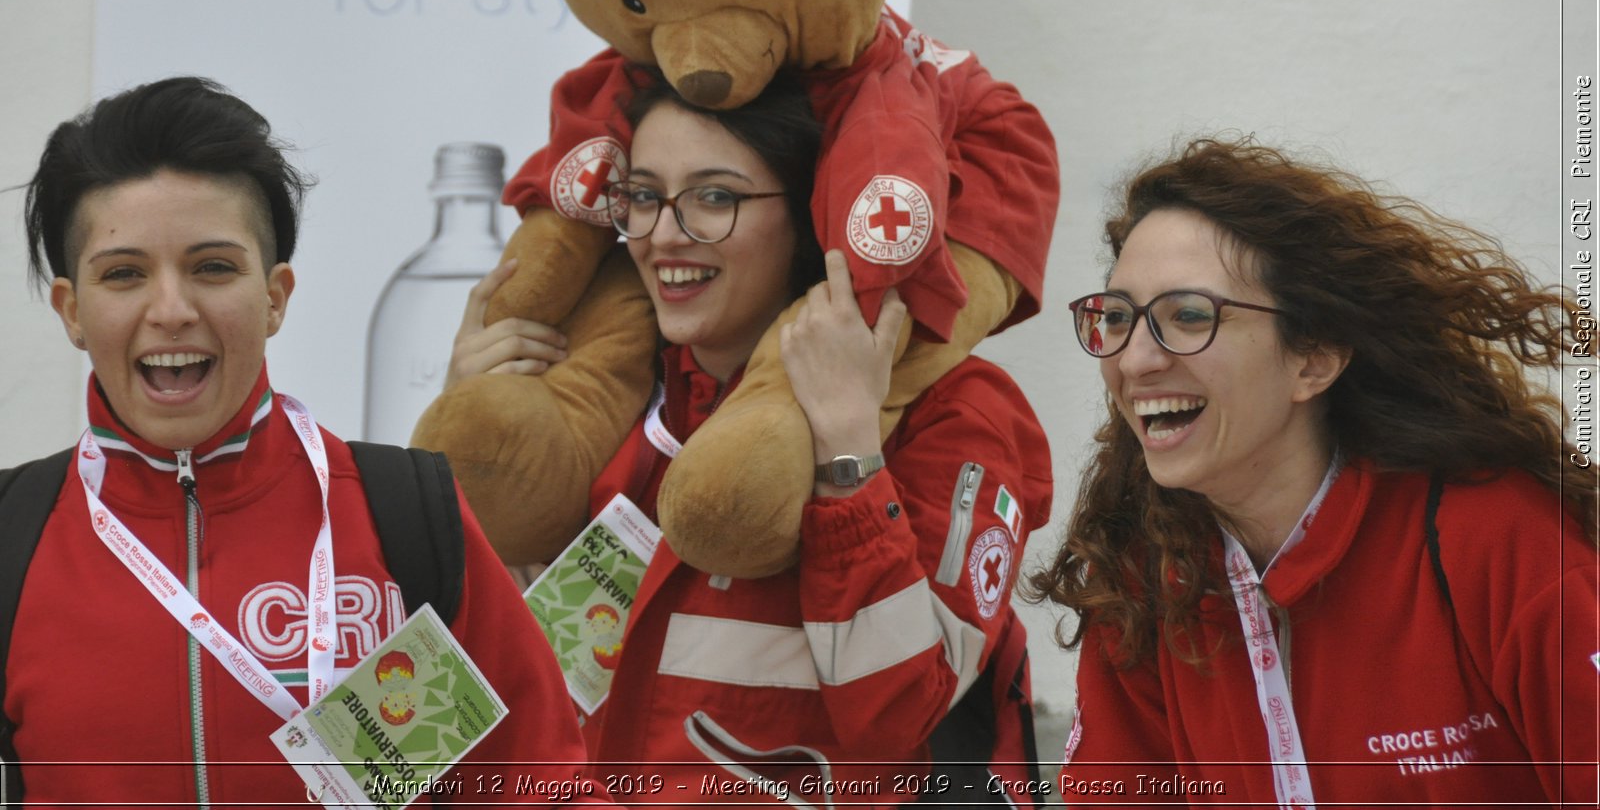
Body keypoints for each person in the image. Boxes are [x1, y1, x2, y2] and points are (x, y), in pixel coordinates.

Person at [445, 75, 1055, 803]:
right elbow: (441, 710)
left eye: (714, 197)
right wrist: (460, 472)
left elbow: (895, 709)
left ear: (808, 217)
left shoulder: (948, 409)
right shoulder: (605, 399)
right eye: (644, 196)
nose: (667, 233)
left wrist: (847, 457)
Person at [7, 77, 605, 805]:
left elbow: (542, 785)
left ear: (275, 297)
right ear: (73, 309)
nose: (171, 309)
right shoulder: (14, 537)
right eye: (124, 274)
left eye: (213, 267)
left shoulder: (405, 514)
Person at [1032, 137, 1598, 806]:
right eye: (1118, 318)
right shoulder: (1142, 579)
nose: (1135, 361)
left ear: (1314, 356)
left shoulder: (1499, 540)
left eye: (1188, 315)